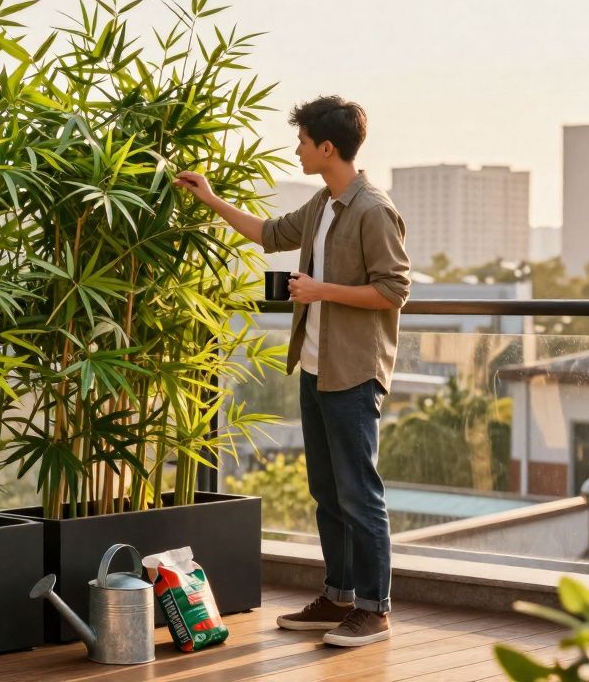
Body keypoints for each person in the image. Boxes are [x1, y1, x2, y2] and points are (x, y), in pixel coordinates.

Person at [172, 96, 410, 648]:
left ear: (327, 147)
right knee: (327, 492)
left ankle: (374, 611)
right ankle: (340, 596)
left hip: (353, 373)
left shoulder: (374, 210)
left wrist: (320, 290)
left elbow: (395, 291)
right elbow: (269, 233)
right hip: (316, 367)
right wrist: (210, 200)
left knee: (360, 494)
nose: (297, 149)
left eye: (302, 140)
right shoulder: (323, 204)